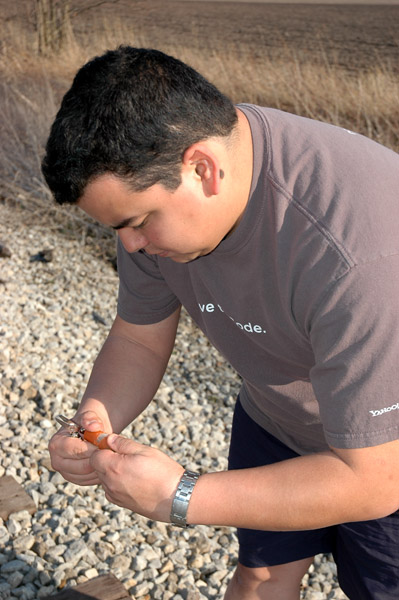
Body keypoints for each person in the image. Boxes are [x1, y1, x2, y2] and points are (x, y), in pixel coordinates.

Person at [42, 46, 399, 600]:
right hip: (279, 413)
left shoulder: (359, 254)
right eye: (119, 228)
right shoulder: (159, 187)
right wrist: (96, 416)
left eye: (136, 224)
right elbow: (138, 336)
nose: (130, 245)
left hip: (384, 456)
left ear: (202, 168)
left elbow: (376, 480)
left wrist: (182, 496)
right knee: (260, 573)